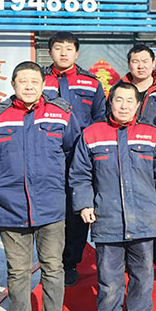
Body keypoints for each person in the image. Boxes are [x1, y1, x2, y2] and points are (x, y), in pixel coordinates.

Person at [0, 61, 81, 311]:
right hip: (11, 206)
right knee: (17, 270)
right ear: (13, 85)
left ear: (43, 85)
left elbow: (73, 150)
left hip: (51, 204)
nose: (29, 86)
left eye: (34, 81)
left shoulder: (61, 114)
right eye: (23, 81)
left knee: (53, 266)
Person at [69, 82, 156, 311]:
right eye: (119, 100)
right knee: (109, 274)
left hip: (144, 215)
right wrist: (84, 204)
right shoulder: (92, 134)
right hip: (107, 216)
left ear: (138, 105)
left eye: (130, 100)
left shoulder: (151, 135)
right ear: (110, 103)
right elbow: (80, 174)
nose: (124, 105)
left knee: (143, 271)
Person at [41, 31, 107, 287]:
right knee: (49, 208)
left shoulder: (91, 82)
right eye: (58, 48)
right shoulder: (38, 80)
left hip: (80, 155)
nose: (63, 53)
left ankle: (70, 262)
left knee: (78, 208)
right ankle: (50, 261)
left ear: (77, 53)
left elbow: (99, 117)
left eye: (69, 48)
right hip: (47, 154)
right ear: (50, 52)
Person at [114, 44, 156, 277]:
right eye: (135, 61)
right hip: (125, 157)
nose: (140, 66)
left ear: (153, 63)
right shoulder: (119, 89)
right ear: (129, 64)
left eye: (145, 61)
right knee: (126, 204)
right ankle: (127, 256)